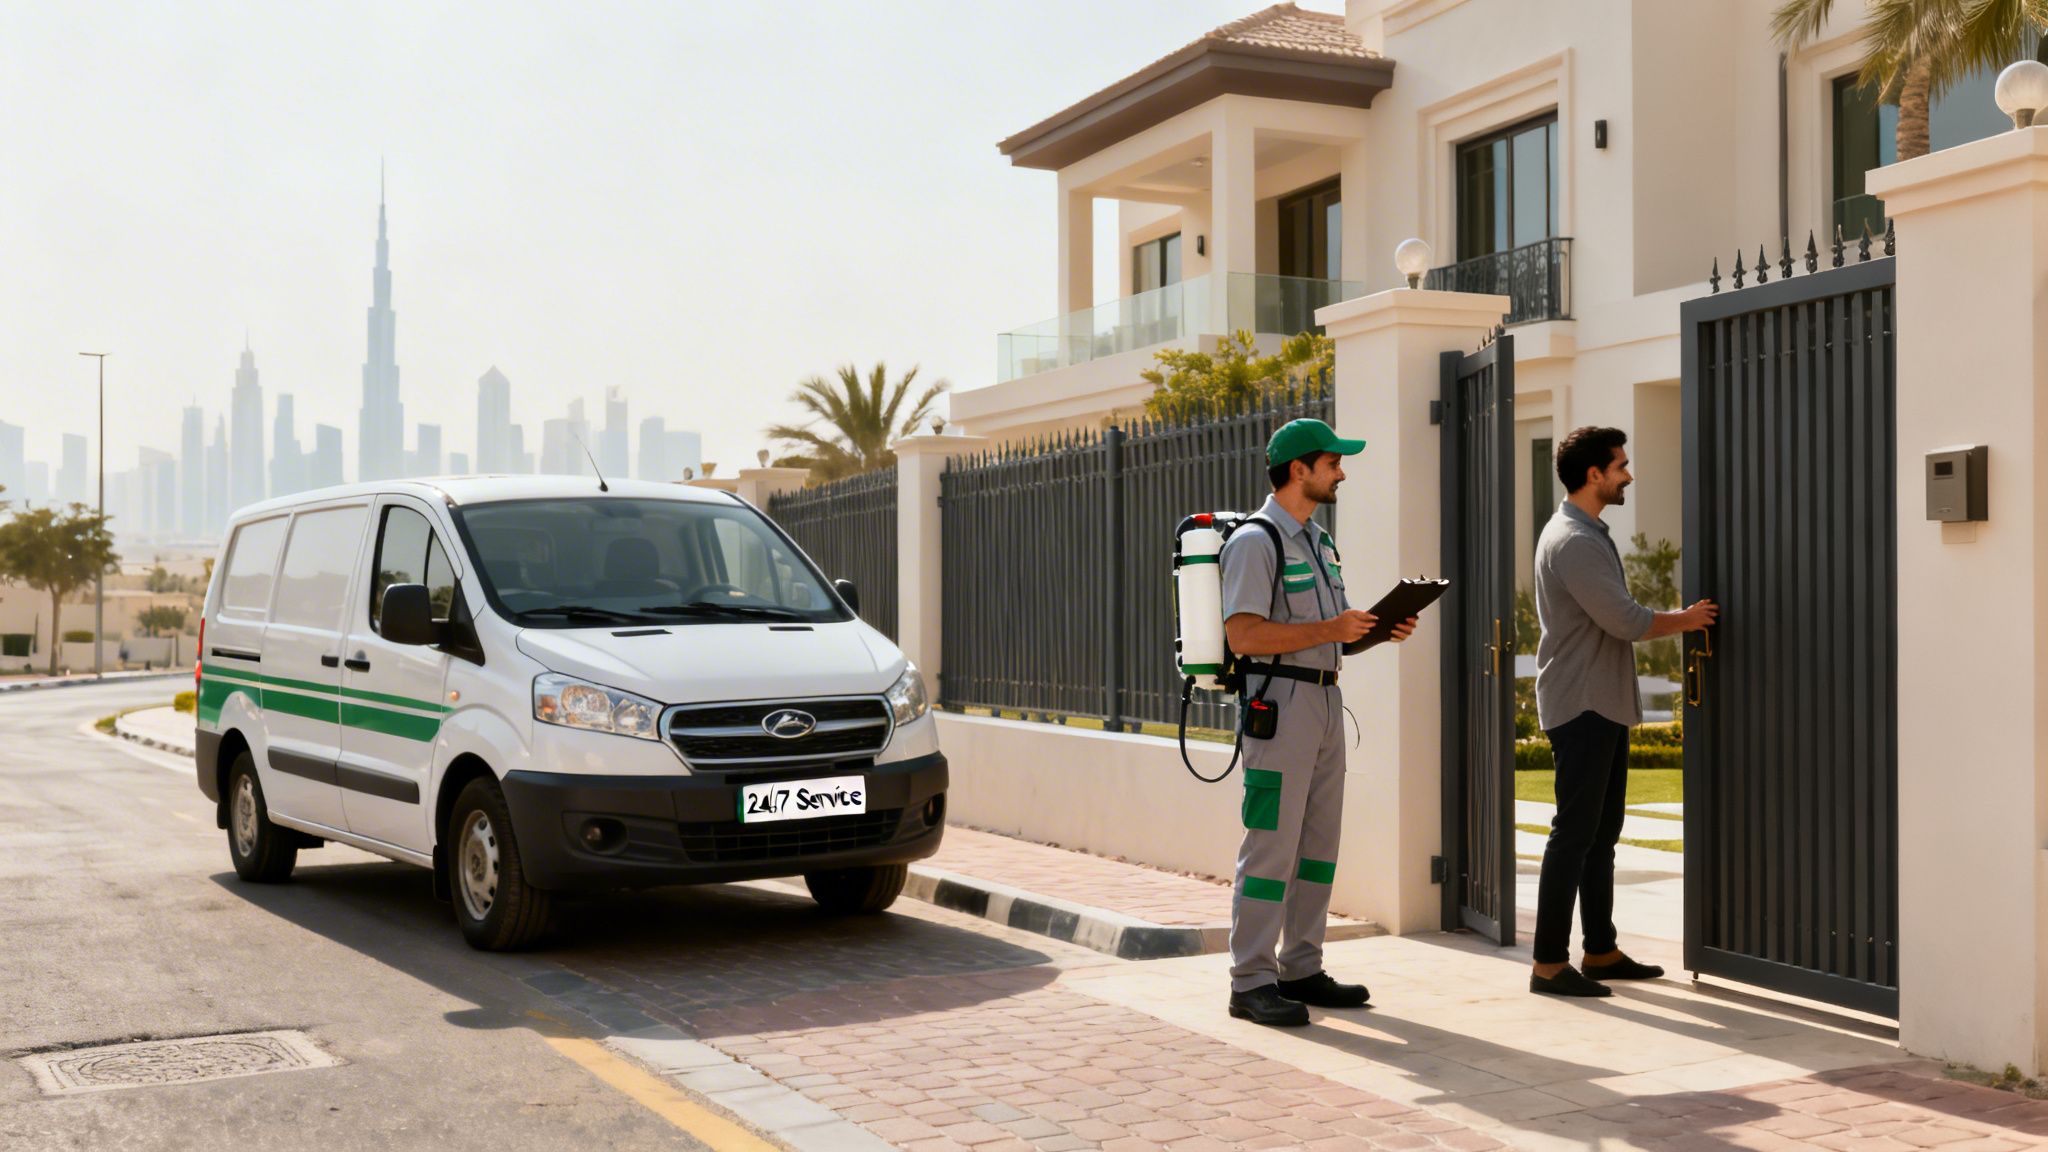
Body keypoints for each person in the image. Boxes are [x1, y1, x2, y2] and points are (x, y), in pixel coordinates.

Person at [1219, 418, 1416, 1027]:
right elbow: (1243, 634)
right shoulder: (1257, 541)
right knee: (1271, 845)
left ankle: (1300, 966)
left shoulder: (1319, 542)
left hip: (1328, 702)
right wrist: (1331, 630)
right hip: (1280, 707)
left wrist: (1373, 633)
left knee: (1318, 847)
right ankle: (1250, 980)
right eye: (1333, 462)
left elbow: (1330, 635)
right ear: (1299, 469)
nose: (1342, 472)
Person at [1529, 426, 1717, 998]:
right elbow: (1627, 620)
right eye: (1621, 466)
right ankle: (1547, 964)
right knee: (1574, 834)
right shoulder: (1575, 541)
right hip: (1582, 701)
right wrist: (1687, 619)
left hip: (1600, 701)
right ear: (1594, 475)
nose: (1628, 475)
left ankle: (1600, 950)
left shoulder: (1585, 532)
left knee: (1601, 833)